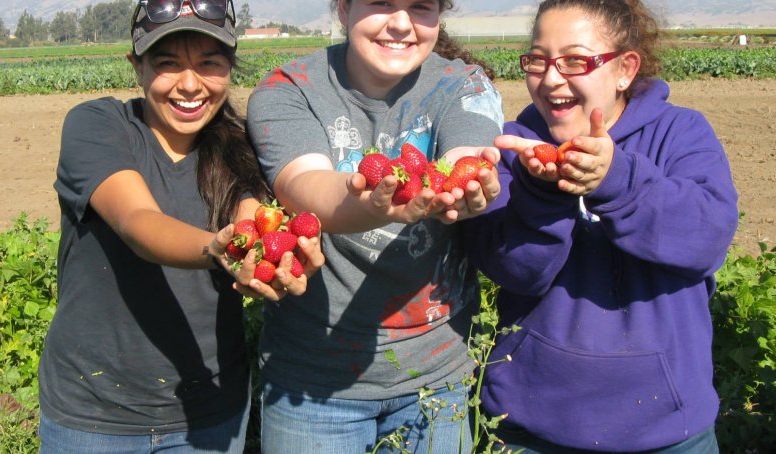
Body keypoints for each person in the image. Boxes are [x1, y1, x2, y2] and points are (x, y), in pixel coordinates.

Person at [37, 1, 322, 452]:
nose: (190, 85)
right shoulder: (98, 125)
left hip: (211, 414)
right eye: (168, 64)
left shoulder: (238, 146)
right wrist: (217, 248)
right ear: (137, 66)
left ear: (230, 68)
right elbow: (137, 221)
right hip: (93, 415)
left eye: (209, 64)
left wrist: (282, 259)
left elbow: (253, 224)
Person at [462, 0, 738, 452]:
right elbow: (516, 270)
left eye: (575, 61)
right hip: (530, 425)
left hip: (665, 431)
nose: (552, 79)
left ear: (625, 69)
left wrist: (616, 180)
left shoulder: (680, 134)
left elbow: (705, 239)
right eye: (538, 60)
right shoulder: (515, 148)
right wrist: (544, 193)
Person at [244, 0, 504, 452]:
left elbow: (465, 155)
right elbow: (302, 184)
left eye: (420, 7)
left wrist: (464, 182)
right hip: (312, 382)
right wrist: (373, 204)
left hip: (438, 376)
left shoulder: (466, 84)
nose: (401, 24)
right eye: (381, 3)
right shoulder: (289, 88)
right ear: (343, 9)